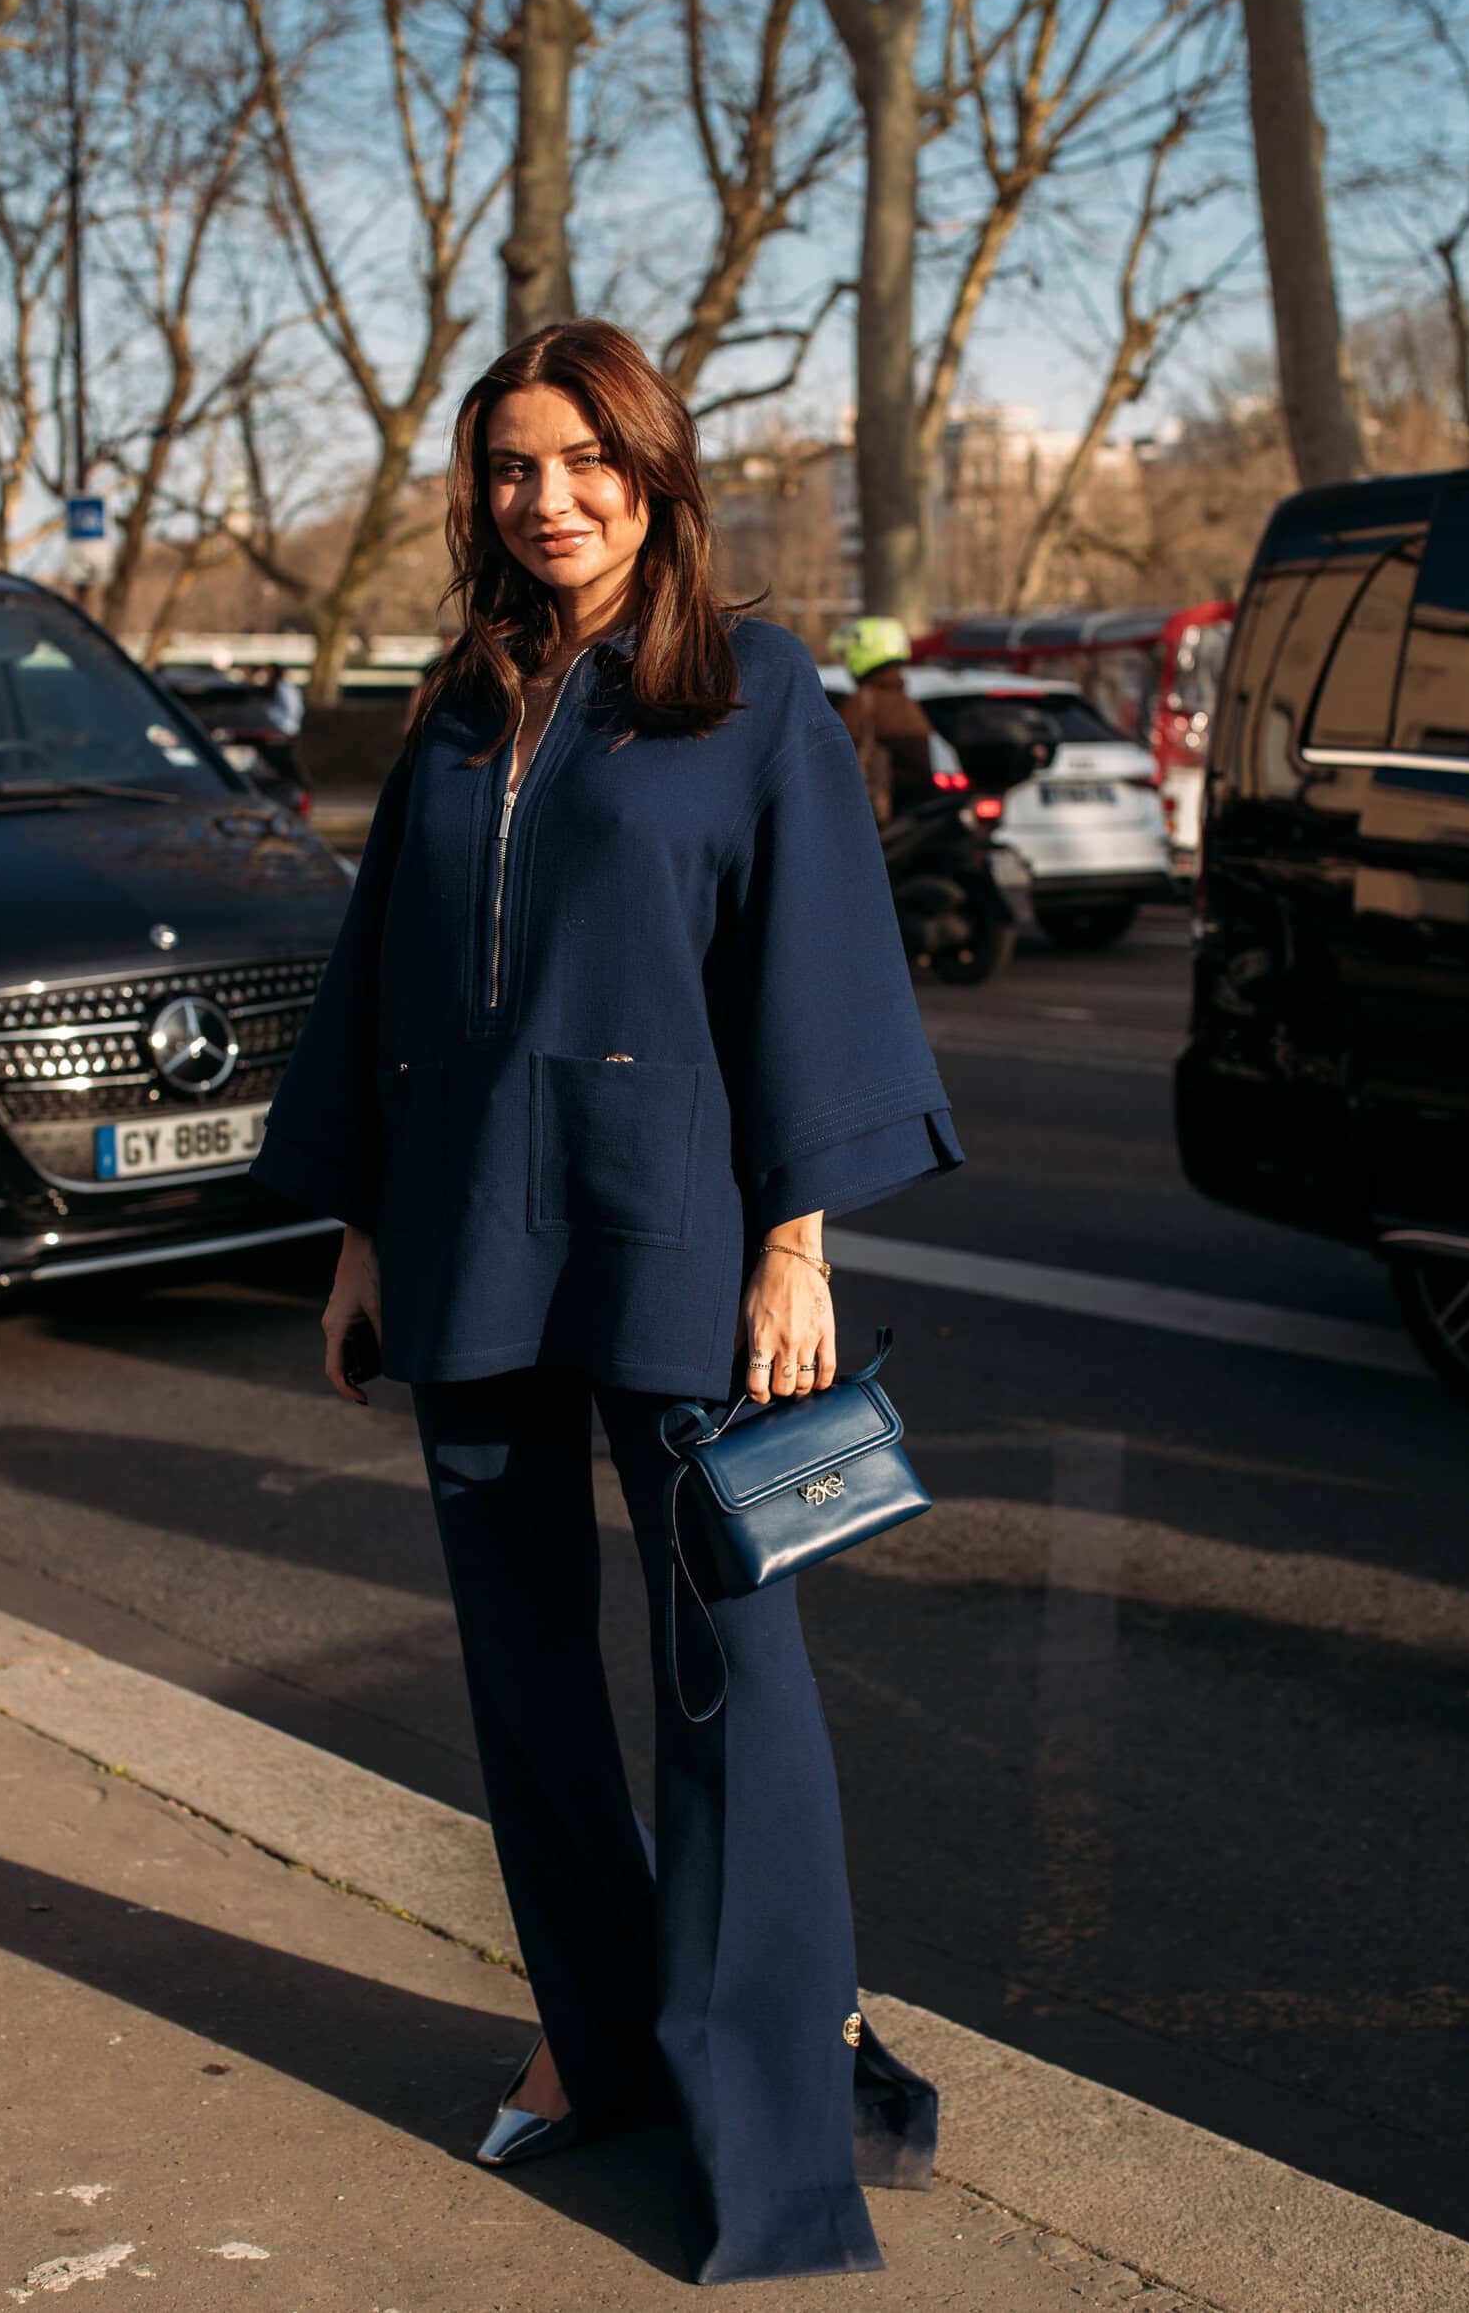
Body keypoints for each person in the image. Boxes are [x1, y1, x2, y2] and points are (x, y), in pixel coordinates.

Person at [251, 319, 962, 2286]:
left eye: (581, 459)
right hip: (467, 1231)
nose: (542, 496)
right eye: (507, 463)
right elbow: (390, 978)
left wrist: (794, 1237)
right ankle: (592, 2020)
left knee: (733, 1680)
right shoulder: (457, 705)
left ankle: (761, 2089)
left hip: (681, 1246)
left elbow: (807, 966)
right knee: (520, 1668)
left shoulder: (751, 691)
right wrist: (359, 1234)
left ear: (650, 475)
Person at [830, 615, 936, 824]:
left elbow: (833, 766)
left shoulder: (861, 704)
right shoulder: (907, 702)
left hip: (877, 826)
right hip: (911, 821)